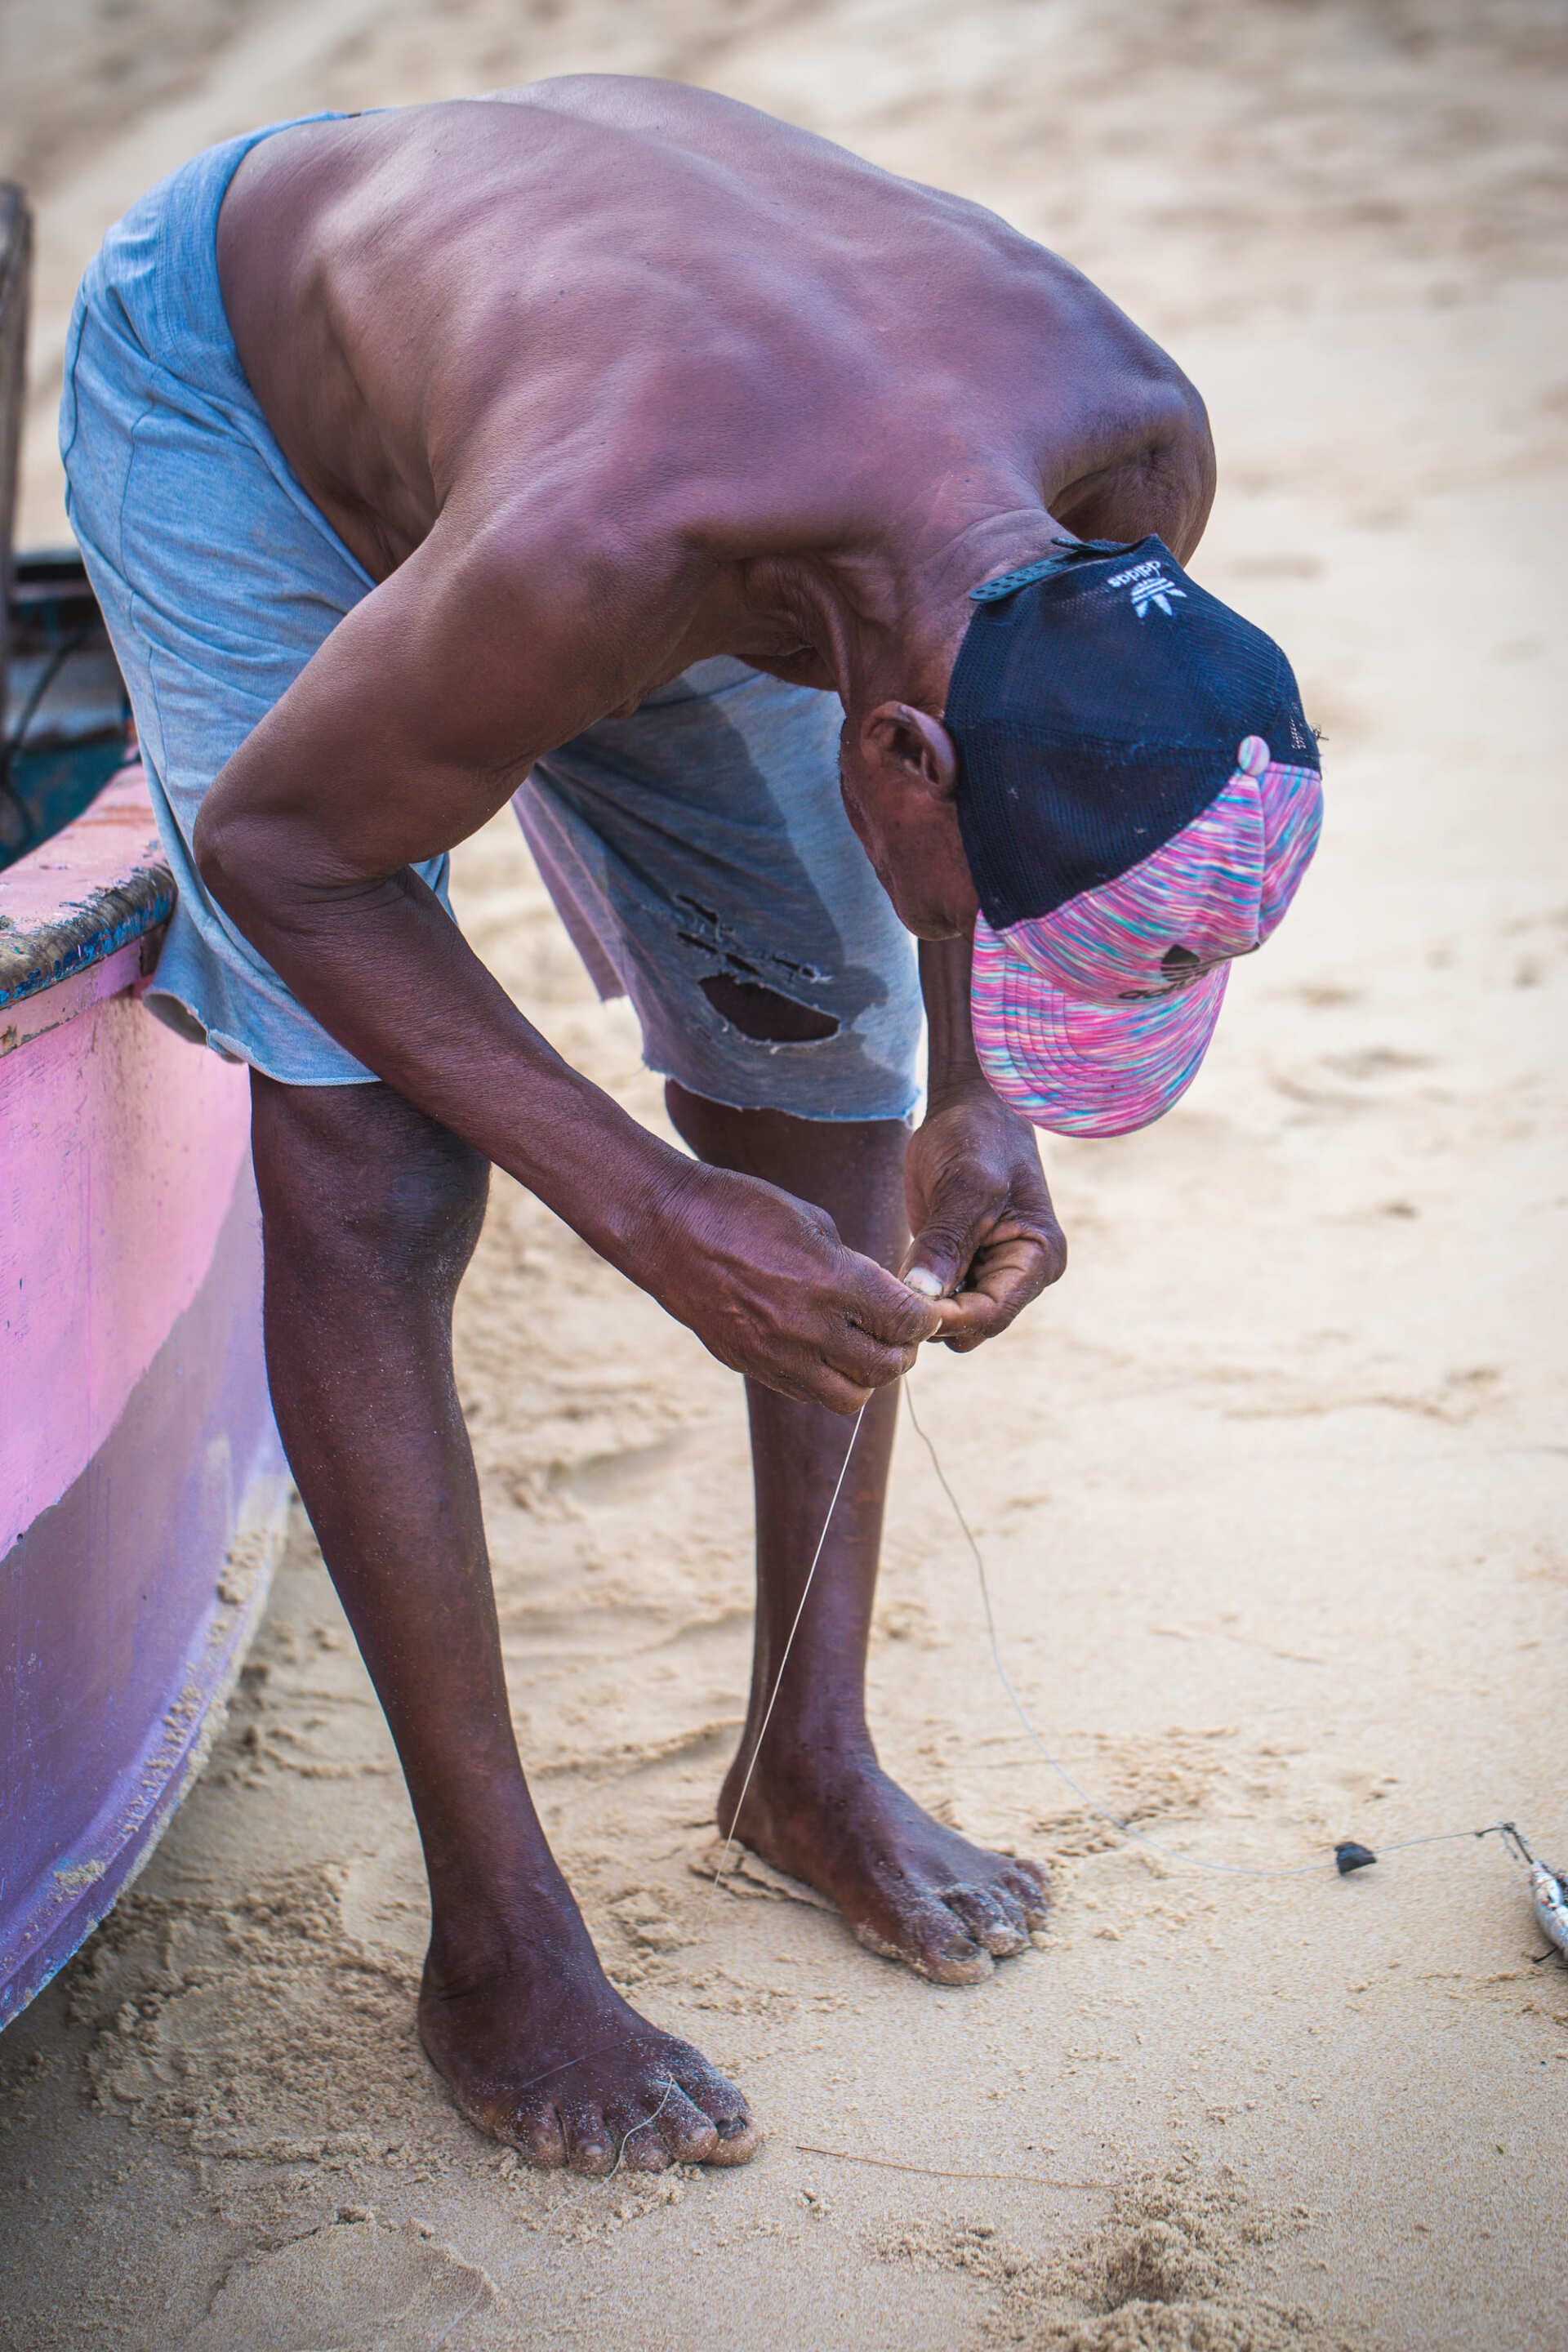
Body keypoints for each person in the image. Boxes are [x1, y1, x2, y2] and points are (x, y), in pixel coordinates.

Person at [60, 75, 1322, 2175]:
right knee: (375, 1156)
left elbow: (984, 828)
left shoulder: (1122, 465)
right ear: (897, 743)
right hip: (261, 387)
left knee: (819, 1065)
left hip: (675, 401)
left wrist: (975, 1078)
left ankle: (805, 1766)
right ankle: (495, 1941)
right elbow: (295, 856)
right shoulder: (599, 552)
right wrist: (649, 1210)